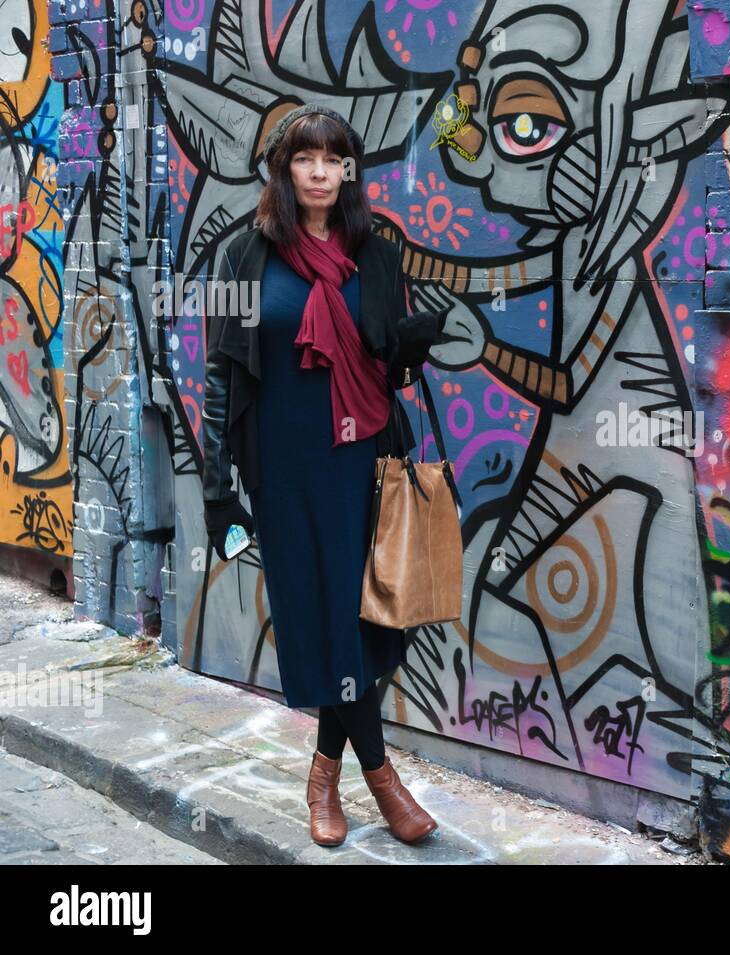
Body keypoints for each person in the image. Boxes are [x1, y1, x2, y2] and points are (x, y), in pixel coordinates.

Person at [200, 104, 446, 847]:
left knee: (356, 619)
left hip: (359, 461)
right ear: (283, 168)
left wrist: (409, 346)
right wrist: (218, 488)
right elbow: (220, 373)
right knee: (322, 619)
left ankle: (329, 776)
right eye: (305, 158)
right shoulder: (240, 257)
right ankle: (381, 779)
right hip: (280, 470)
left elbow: (386, 365)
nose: (319, 173)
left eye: (333, 160)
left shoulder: (376, 252)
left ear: (349, 172)